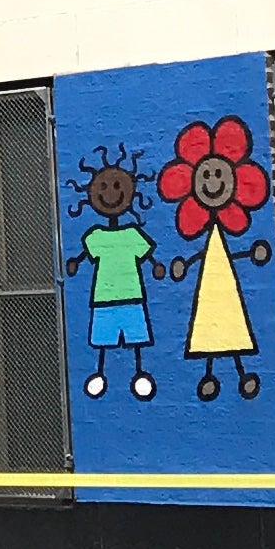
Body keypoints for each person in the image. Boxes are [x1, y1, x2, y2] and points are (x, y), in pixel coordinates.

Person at [66, 154, 156, 402]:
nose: (110, 193)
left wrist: (156, 266)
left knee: (136, 338)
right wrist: (75, 262)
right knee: (104, 340)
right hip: (104, 299)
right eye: (103, 187)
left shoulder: (131, 233)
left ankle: (139, 372)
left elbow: (147, 255)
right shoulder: (96, 236)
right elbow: (85, 255)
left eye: (117, 186)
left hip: (132, 296)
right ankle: (100, 373)